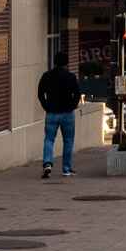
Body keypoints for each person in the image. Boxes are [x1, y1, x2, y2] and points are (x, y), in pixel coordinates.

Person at [37, 51, 82, 179]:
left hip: (51, 113)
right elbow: (77, 94)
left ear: (54, 62)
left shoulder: (46, 76)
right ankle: (66, 169)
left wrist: (46, 106)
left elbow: (40, 93)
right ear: (66, 63)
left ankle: (47, 163)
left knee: (49, 139)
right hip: (67, 113)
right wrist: (72, 106)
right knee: (68, 140)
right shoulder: (71, 77)